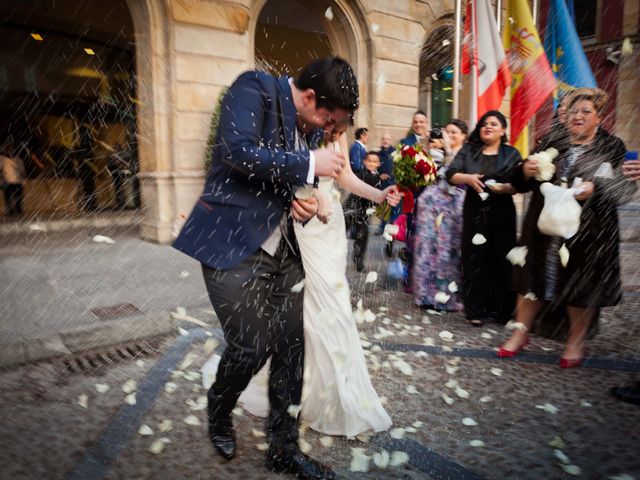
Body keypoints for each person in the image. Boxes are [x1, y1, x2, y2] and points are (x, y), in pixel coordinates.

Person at [174, 56, 357, 480]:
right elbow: (237, 152)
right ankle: (219, 407)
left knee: (292, 347)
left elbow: (273, 176)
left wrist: (300, 198)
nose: (328, 130)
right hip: (232, 244)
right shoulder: (252, 88)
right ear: (310, 98)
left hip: (284, 251)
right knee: (250, 347)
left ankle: (283, 447)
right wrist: (310, 166)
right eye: (328, 119)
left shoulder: (305, 125)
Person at [231, 122, 398, 437]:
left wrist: (379, 193)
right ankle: (302, 388)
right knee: (313, 302)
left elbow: (345, 176)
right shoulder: (295, 123)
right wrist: (304, 202)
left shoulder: (338, 131)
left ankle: (327, 387)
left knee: (332, 299)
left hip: (330, 223)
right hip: (304, 219)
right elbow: (279, 173)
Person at [498, 88, 637, 367]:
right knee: (530, 280)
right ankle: (519, 334)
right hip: (542, 226)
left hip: (587, 230)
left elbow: (623, 188)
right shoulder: (551, 140)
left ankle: (575, 341)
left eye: (586, 111)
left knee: (579, 286)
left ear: (599, 118)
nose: (578, 116)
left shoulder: (611, 146)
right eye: (574, 111)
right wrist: (526, 170)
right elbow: (522, 179)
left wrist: (595, 188)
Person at [446, 111, 521, 327]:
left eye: (494, 124)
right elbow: (450, 174)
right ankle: (475, 309)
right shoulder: (469, 150)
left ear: (503, 130)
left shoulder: (511, 153)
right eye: (484, 123)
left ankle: (501, 310)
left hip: (502, 210)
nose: (488, 126)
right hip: (474, 210)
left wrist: (506, 188)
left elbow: (519, 183)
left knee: (502, 259)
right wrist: (468, 178)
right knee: (474, 258)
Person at [413, 119, 468, 311]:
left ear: (464, 135)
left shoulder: (466, 154)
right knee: (429, 248)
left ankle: (447, 295)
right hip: (432, 206)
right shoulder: (437, 152)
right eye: (447, 132)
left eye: (454, 132)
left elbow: (454, 175)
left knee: (449, 250)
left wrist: (449, 151)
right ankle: (427, 293)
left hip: (455, 206)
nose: (450, 136)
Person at [351, 151, 384, 272]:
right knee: (361, 235)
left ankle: (358, 259)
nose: (371, 163)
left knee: (362, 236)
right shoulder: (362, 175)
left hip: (365, 211)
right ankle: (357, 260)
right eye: (369, 161)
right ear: (364, 162)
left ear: (379, 164)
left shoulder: (376, 176)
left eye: (374, 161)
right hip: (355, 208)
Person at [0, 141, 26, 215]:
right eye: (8, 149)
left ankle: (18, 210)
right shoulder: (2, 159)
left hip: (17, 181)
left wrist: (24, 179)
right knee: (8, 197)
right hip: (6, 182)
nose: (10, 151)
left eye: (11, 149)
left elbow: (22, 171)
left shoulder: (18, 159)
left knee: (18, 197)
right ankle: (10, 211)